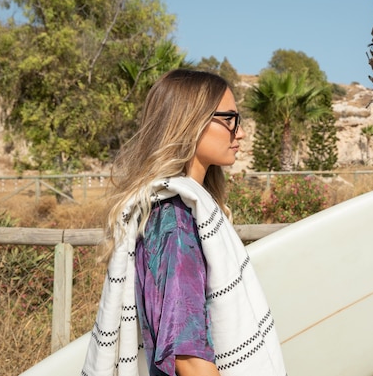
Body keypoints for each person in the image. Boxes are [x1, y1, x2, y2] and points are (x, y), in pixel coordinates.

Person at [81, 69, 287, 376]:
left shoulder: (184, 209)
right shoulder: (174, 220)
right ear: (192, 122)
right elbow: (188, 359)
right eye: (230, 119)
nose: (240, 132)